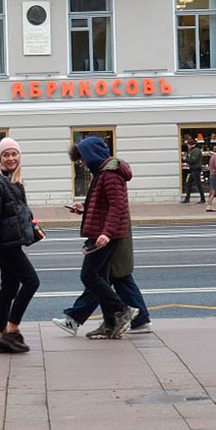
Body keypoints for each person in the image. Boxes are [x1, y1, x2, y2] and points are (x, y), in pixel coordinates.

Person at [64, 137, 139, 340]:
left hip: (104, 234)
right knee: (102, 278)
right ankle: (110, 323)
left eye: (83, 159)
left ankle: (123, 311)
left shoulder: (110, 174)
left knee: (89, 275)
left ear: (91, 155)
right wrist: (85, 208)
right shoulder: (103, 173)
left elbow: (117, 206)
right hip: (102, 231)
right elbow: (105, 204)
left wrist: (107, 233)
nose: (83, 163)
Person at [0, 137, 42, 354]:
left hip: (11, 241)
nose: (11, 158)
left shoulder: (11, 180)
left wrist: (30, 225)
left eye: (14, 154)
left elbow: (15, 210)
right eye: (6, 155)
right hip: (5, 244)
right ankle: (12, 329)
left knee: (9, 289)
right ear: (0, 158)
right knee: (31, 281)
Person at [53, 228, 151, 337]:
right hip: (111, 237)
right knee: (111, 279)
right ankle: (134, 320)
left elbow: (115, 217)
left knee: (98, 280)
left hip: (108, 238)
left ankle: (125, 316)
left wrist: (106, 233)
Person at [181, 138, 206, 205]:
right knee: (189, 183)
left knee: (198, 184)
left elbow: (193, 160)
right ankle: (187, 198)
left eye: (189, 145)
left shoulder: (196, 151)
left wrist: (186, 159)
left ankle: (202, 199)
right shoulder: (193, 150)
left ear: (193, 145)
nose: (188, 146)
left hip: (196, 169)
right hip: (193, 170)